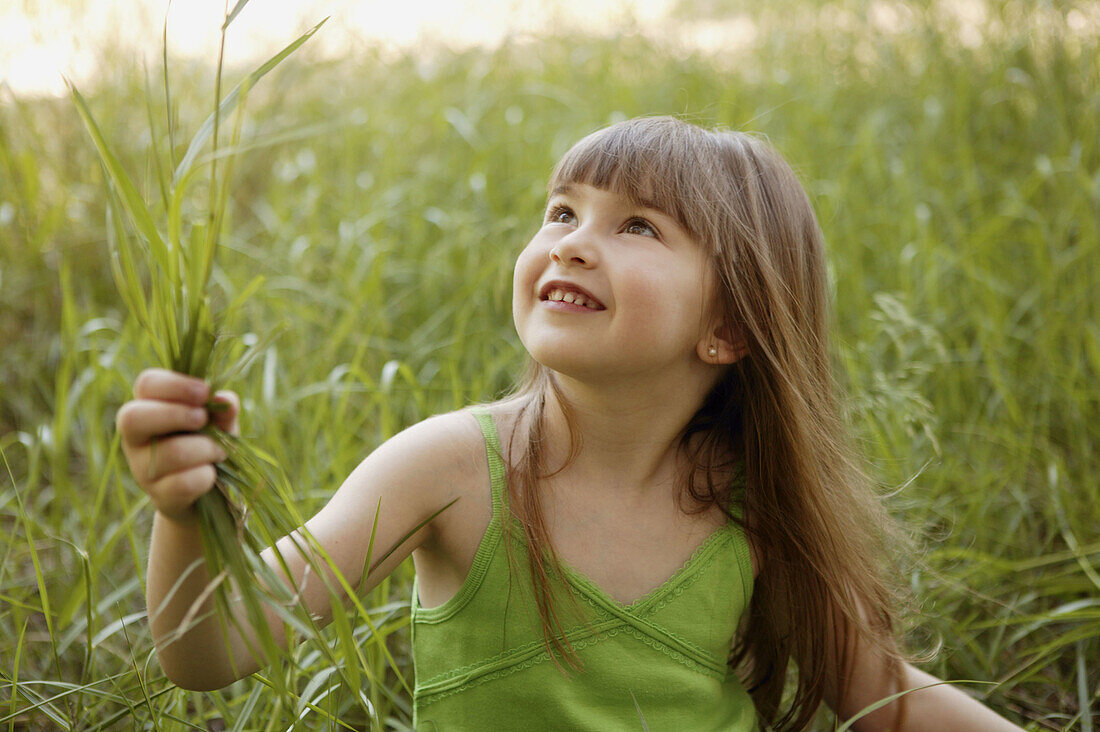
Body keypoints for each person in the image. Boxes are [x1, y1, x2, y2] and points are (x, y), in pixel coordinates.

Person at [117, 116, 1023, 730]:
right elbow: (209, 648)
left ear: (729, 328)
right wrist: (186, 510)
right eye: (562, 212)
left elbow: (885, 697)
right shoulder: (452, 470)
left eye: (638, 228)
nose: (572, 242)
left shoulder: (751, 508)